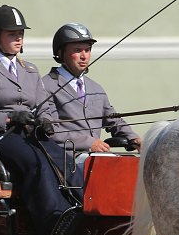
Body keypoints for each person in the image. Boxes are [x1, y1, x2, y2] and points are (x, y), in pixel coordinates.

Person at [0, 5, 83, 235]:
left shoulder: (30, 70)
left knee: (65, 159)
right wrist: (8, 117)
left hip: (29, 133)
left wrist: (47, 120)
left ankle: (88, 210)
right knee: (36, 163)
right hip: (0, 137)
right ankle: (55, 225)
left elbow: (44, 105)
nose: (18, 38)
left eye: (20, 33)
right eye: (11, 33)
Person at [42, 24, 141, 160]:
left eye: (87, 50)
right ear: (61, 53)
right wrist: (89, 142)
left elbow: (113, 120)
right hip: (64, 160)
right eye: (77, 50)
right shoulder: (45, 86)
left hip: (95, 160)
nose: (84, 56)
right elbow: (50, 131)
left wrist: (133, 138)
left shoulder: (96, 88)